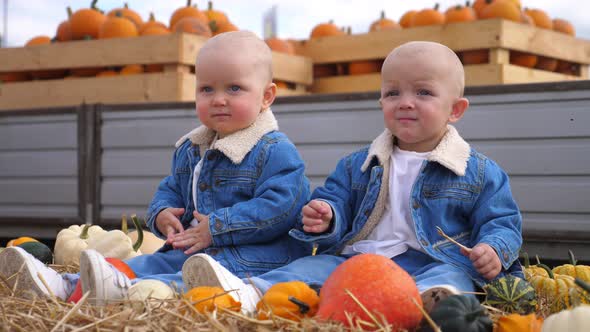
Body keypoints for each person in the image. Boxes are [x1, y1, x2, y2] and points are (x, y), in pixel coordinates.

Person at [180, 41, 524, 313]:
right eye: (393, 93)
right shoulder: (358, 165)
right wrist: (326, 215)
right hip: (360, 261)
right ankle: (250, 293)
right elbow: (336, 200)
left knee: (452, 276)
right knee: (310, 269)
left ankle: (433, 304)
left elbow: (502, 221)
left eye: (423, 93)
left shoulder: (478, 172)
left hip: (431, 261)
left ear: (455, 110)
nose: (405, 103)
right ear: (381, 102)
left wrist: (493, 248)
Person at [0, 31, 310, 311]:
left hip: (256, 256)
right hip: (195, 247)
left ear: (266, 96)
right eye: (206, 89)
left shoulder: (274, 150)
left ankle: (121, 291)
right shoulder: (192, 149)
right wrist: (162, 214)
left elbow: (281, 207)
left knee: (188, 277)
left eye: (234, 88)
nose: (218, 99)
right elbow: (172, 187)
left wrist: (217, 226)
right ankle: (64, 284)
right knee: (151, 261)